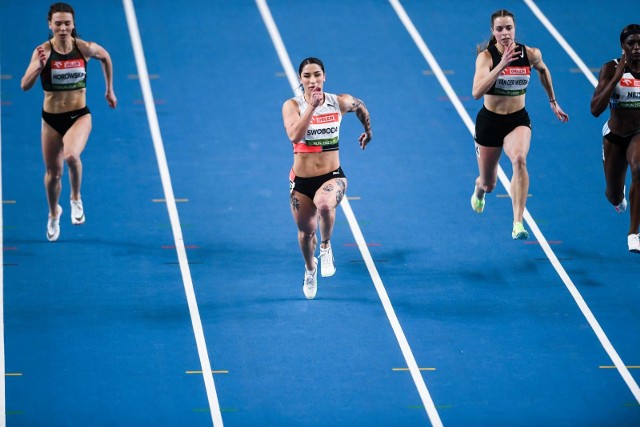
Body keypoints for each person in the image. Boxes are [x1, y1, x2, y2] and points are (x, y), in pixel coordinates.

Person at [20, 2, 117, 242]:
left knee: (72, 156)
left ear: (73, 25)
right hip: (51, 120)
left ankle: (75, 198)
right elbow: (24, 85)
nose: (63, 28)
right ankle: (54, 213)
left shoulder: (83, 48)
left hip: (79, 115)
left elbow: (105, 57)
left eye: (67, 23)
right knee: (53, 174)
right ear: (50, 25)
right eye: (58, 23)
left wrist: (109, 90)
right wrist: (38, 68)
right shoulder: (42, 52)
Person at [470, 9, 568, 240]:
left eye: (509, 28)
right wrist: (501, 66)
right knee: (489, 183)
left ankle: (518, 223)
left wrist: (553, 101)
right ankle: (479, 190)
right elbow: (476, 92)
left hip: (517, 120)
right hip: (490, 122)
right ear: (493, 32)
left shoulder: (530, 53)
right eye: (500, 29)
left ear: (515, 29)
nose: (505, 33)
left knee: (519, 160)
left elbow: (543, 70)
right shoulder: (486, 57)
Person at [282, 57, 372, 299]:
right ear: (300, 79)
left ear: (324, 76)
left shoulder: (338, 102)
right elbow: (295, 136)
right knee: (305, 233)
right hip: (301, 182)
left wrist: (368, 131)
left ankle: (326, 246)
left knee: (325, 204)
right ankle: (310, 268)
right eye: (307, 76)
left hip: (332, 176)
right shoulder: (292, 105)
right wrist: (311, 106)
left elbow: (360, 106)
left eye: (317, 74)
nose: (313, 80)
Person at [590, 24, 640, 253]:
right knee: (613, 195)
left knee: (638, 168)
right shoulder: (610, 68)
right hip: (615, 135)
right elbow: (595, 109)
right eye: (631, 44)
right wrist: (617, 77)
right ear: (623, 46)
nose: (637, 48)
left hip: (638, 134)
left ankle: (633, 233)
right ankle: (620, 199)